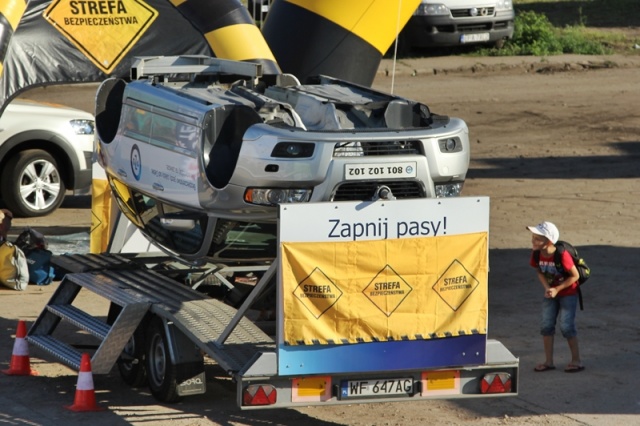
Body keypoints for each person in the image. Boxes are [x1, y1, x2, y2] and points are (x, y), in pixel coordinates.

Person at [527, 221, 584, 373]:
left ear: (549, 241)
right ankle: (548, 362)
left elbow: (575, 276)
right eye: (533, 237)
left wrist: (557, 289)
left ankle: (576, 361)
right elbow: (539, 271)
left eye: (537, 238)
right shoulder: (537, 253)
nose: (533, 240)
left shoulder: (562, 255)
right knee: (546, 326)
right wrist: (547, 288)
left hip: (568, 294)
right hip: (551, 293)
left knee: (567, 327)